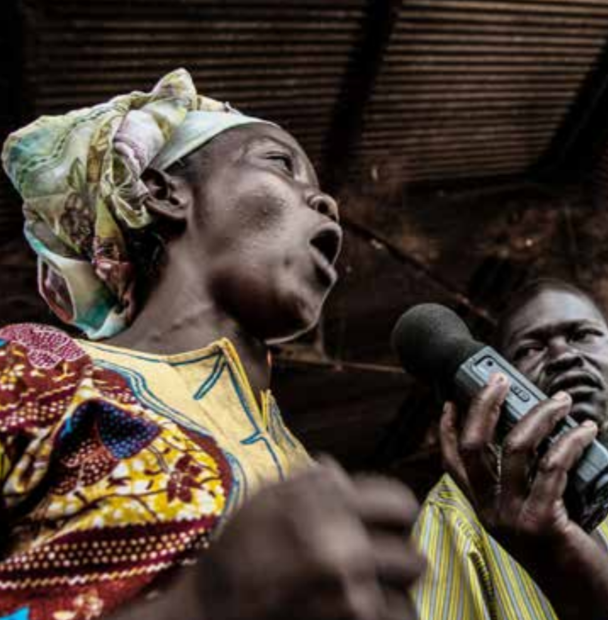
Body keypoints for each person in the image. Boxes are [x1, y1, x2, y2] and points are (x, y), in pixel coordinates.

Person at [0, 69, 424, 620]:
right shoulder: (35, 368)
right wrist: (204, 603)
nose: (325, 202)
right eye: (279, 163)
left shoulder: (312, 475)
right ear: (162, 191)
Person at [412, 279, 608, 620]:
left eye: (581, 334)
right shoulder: (462, 511)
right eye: (530, 349)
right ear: (497, 383)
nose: (563, 356)